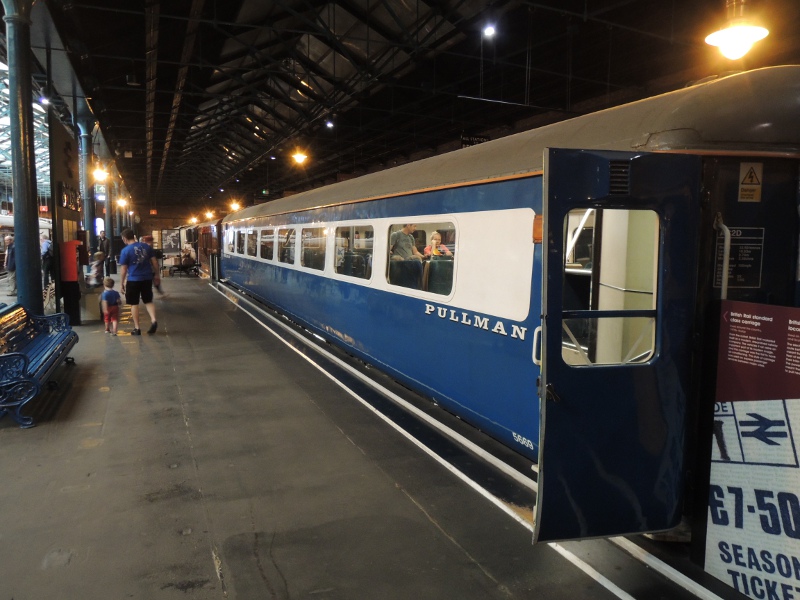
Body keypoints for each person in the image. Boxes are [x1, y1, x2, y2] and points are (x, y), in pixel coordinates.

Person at [118, 228, 160, 335]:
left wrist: (121, 283)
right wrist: (157, 275)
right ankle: (154, 320)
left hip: (133, 280)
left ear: (124, 238)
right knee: (148, 300)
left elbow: (123, 269)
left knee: (134, 303)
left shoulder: (125, 251)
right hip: (147, 278)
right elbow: (155, 262)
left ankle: (137, 328)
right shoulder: (146, 247)